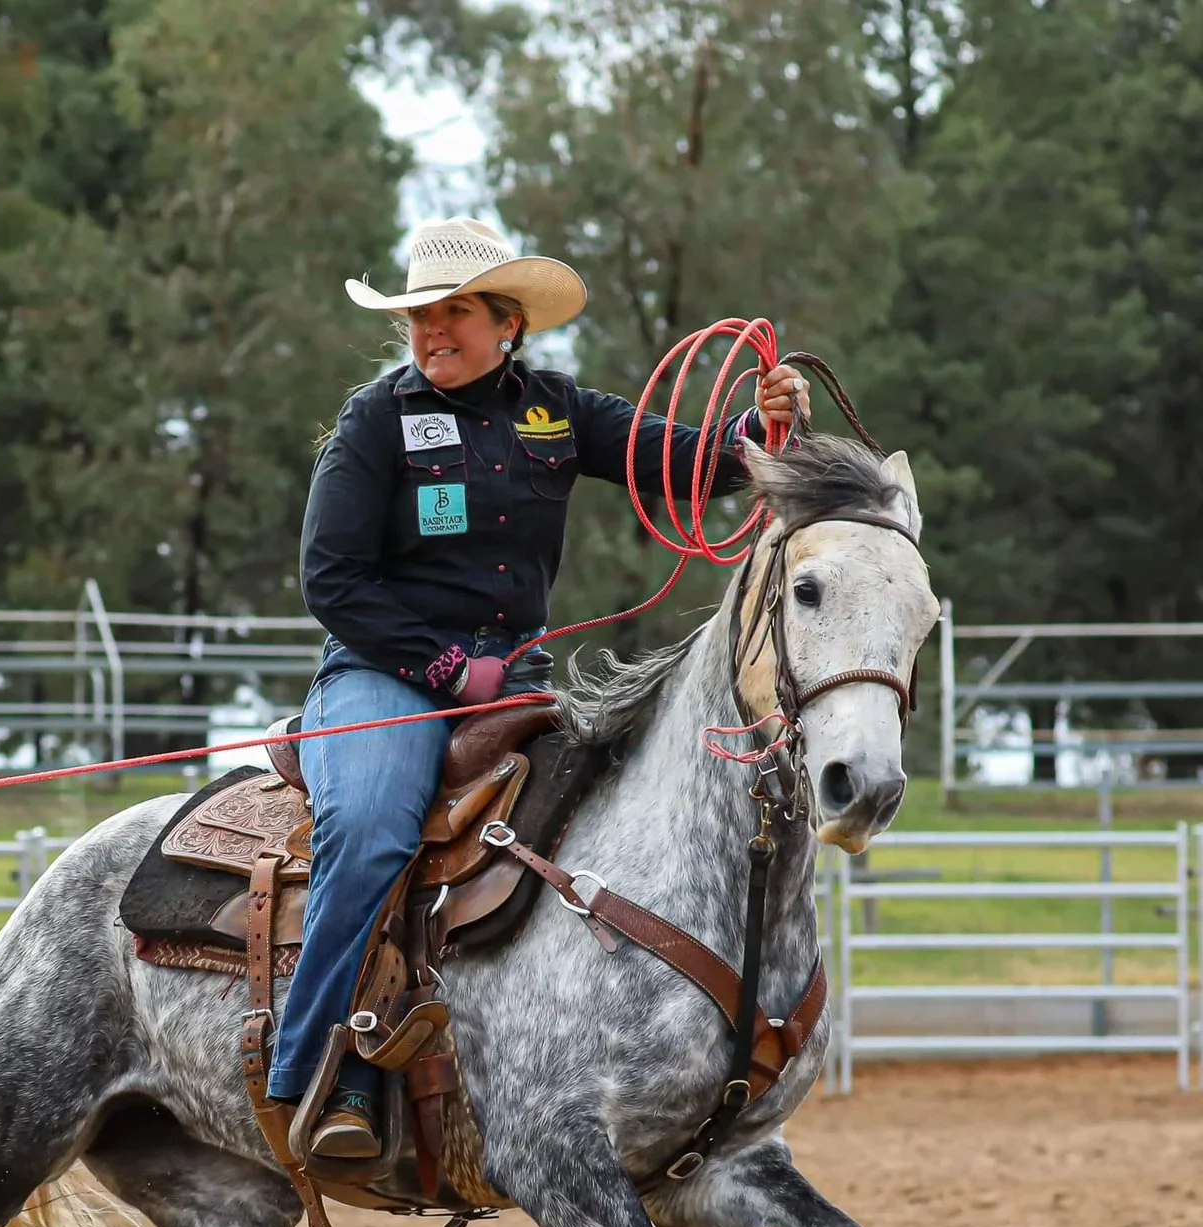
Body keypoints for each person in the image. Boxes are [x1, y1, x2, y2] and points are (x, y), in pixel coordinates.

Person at [274, 218, 806, 1158]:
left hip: (513, 680)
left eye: (454, 313)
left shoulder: (555, 411)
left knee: (606, 828)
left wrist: (764, 428)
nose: (432, 332)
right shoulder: (374, 421)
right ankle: (316, 1063)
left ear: (507, 323)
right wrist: (442, 667)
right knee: (371, 830)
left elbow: (682, 461)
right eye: (420, 317)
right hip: (383, 675)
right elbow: (333, 581)